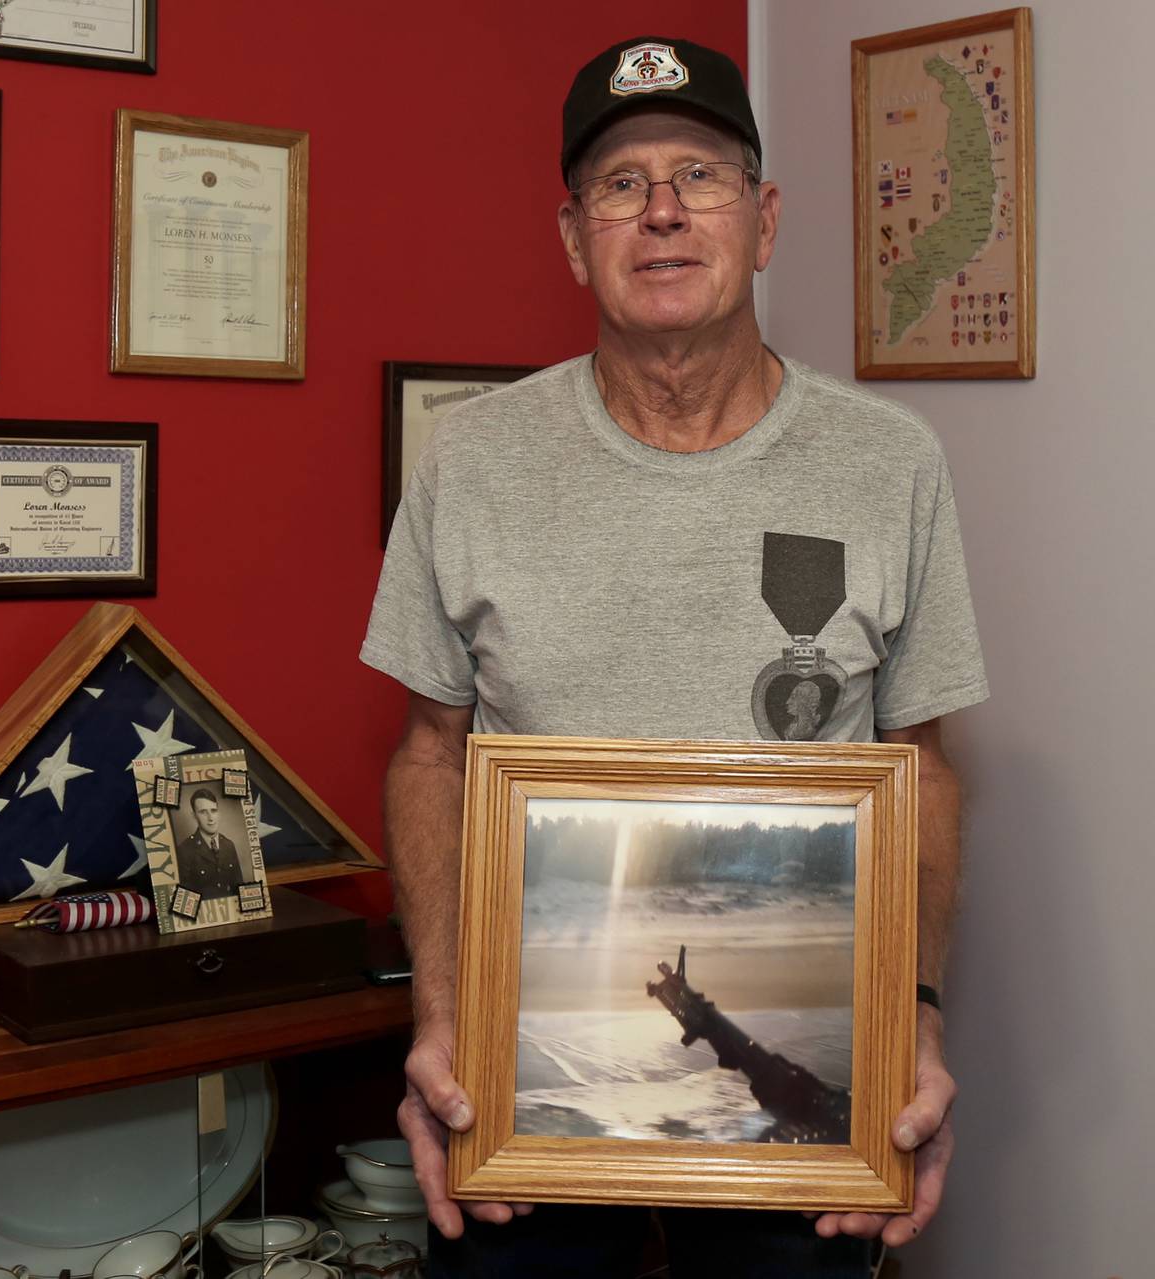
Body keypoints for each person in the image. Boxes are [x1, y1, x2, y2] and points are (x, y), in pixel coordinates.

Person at [360, 35, 987, 1279]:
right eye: (620, 182)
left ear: (762, 221)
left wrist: (909, 1023)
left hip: (797, 1137)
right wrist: (439, 1018)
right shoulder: (471, 458)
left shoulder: (891, 459)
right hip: (522, 1090)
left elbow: (920, 767)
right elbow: (432, 754)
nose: (660, 212)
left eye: (698, 175)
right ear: (571, 233)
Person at [175, 788, 244, 898]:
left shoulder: (229, 845)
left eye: (213, 810)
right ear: (194, 815)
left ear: (218, 812)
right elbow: (186, 896)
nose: (211, 818)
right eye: (203, 812)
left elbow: (239, 888)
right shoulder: (185, 850)